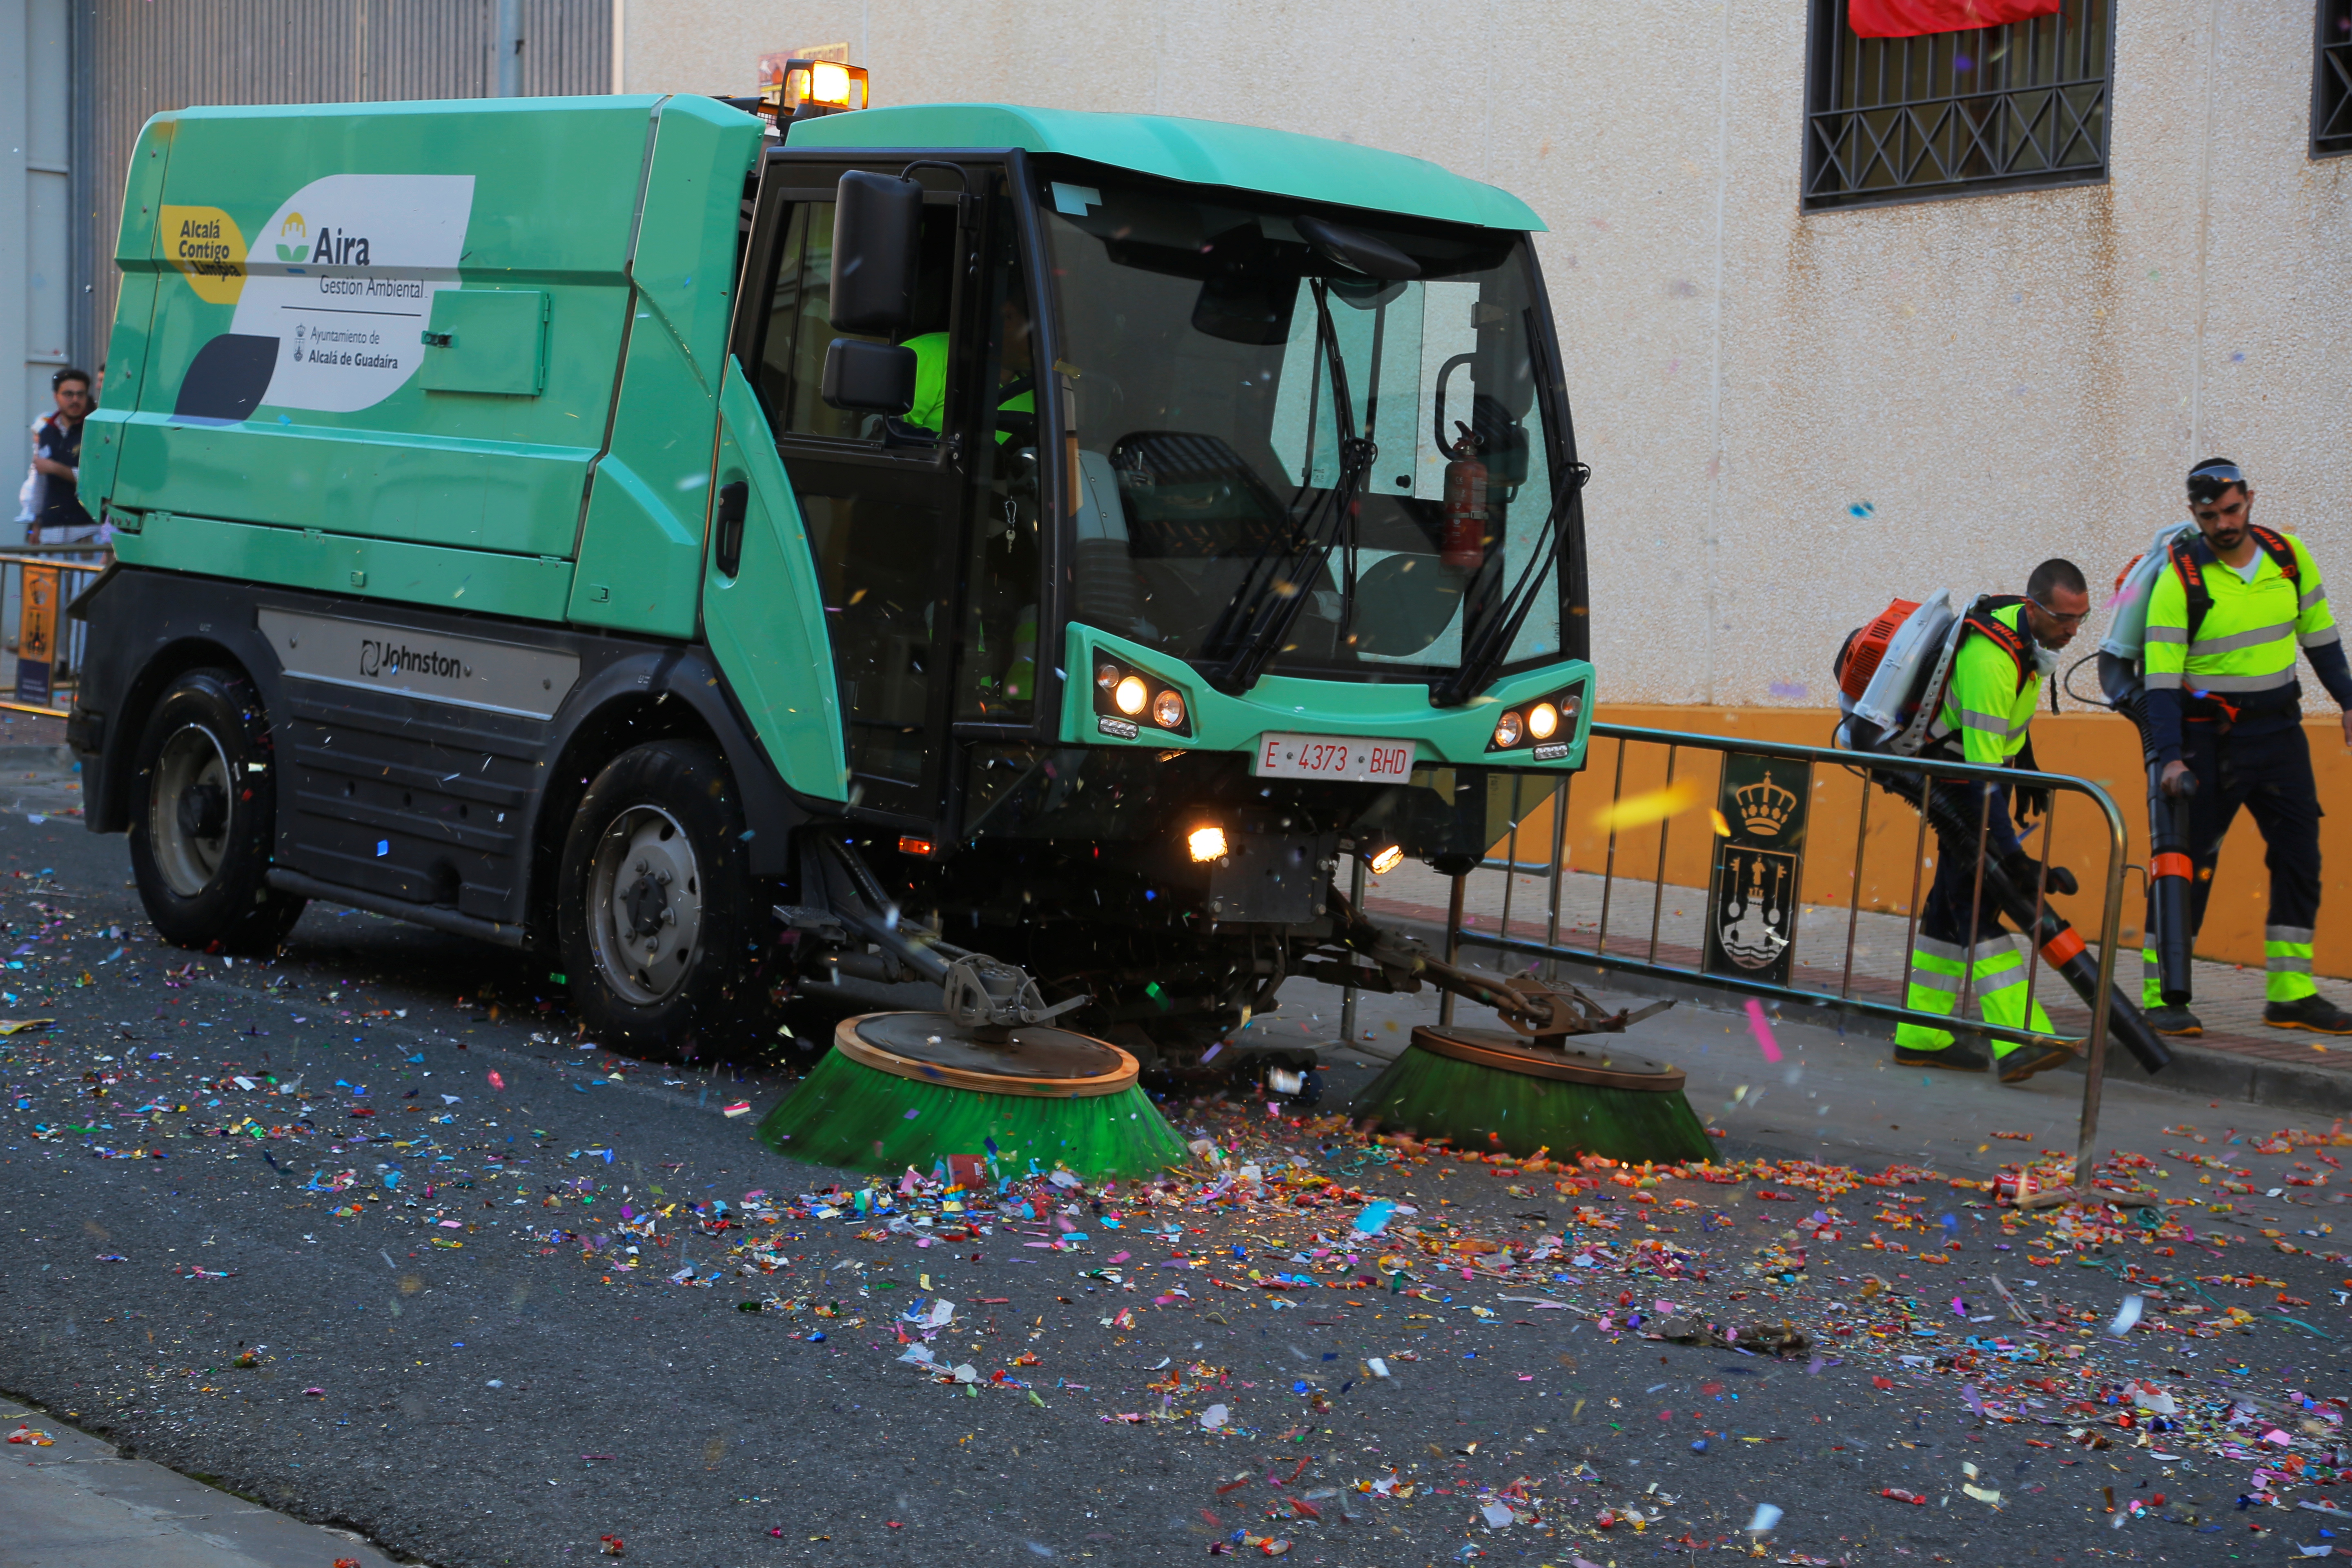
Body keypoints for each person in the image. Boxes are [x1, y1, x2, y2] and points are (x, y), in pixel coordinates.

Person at [2136, 459, 2352, 1036]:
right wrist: (2171, 756)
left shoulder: (2289, 556)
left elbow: (2322, 638)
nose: (2224, 524)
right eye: (2210, 516)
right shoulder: (2179, 578)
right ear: (2194, 516)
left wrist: (2349, 700)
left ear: (2250, 499)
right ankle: (2164, 995)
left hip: (2281, 734)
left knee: (2300, 859)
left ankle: (2291, 993)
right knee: (2190, 867)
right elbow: (2160, 680)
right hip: (2208, 742)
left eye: (2232, 510)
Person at [1892, 560, 2092, 1083]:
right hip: (1948, 776)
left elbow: (2006, 733)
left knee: (1952, 902)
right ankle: (2020, 1035)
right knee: (1976, 901)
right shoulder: (1992, 660)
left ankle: (1921, 1033)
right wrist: (2016, 858)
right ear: (2033, 608)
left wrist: (2027, 771)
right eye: (2064, 620)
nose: (2073, 631)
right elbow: (1981, 775)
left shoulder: (2026, 640)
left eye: (2082, 619)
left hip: (1962, 770)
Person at [29, 366, 101, 548]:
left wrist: (54, 468)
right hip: (50, 533)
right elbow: (40, 482)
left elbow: (96, 480)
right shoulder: (46, 433)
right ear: (56, 396)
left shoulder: (96, 432)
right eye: (69, 394)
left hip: (87, 533)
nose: (75, 400)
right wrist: (35, 524)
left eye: (80, 394)